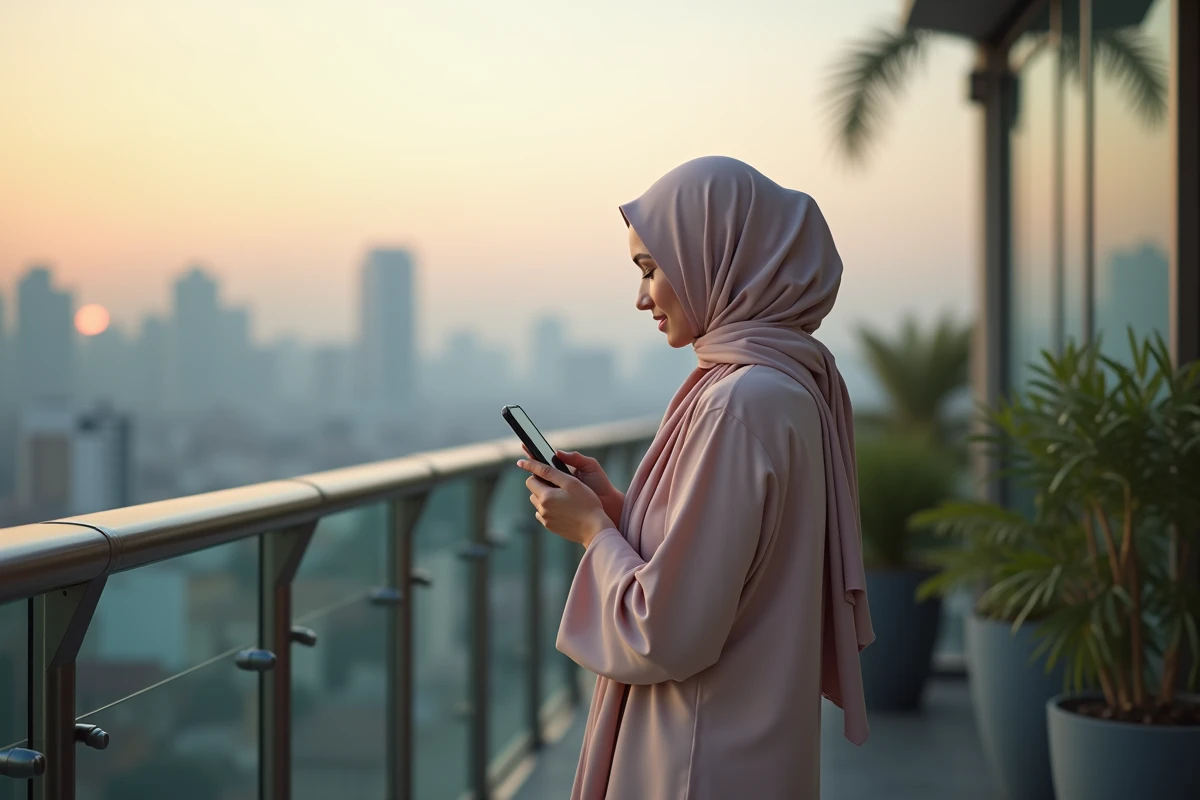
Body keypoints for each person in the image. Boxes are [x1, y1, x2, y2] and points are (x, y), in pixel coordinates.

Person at [515, 155, 874, 800]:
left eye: (652, 269)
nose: (642, 295)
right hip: (748, 741)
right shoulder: (788, 385)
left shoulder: (740, 400)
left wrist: (594, 533)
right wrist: (620, 510)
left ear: (719, 257)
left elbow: (669, 631)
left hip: (697, 757)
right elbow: (736, 560)